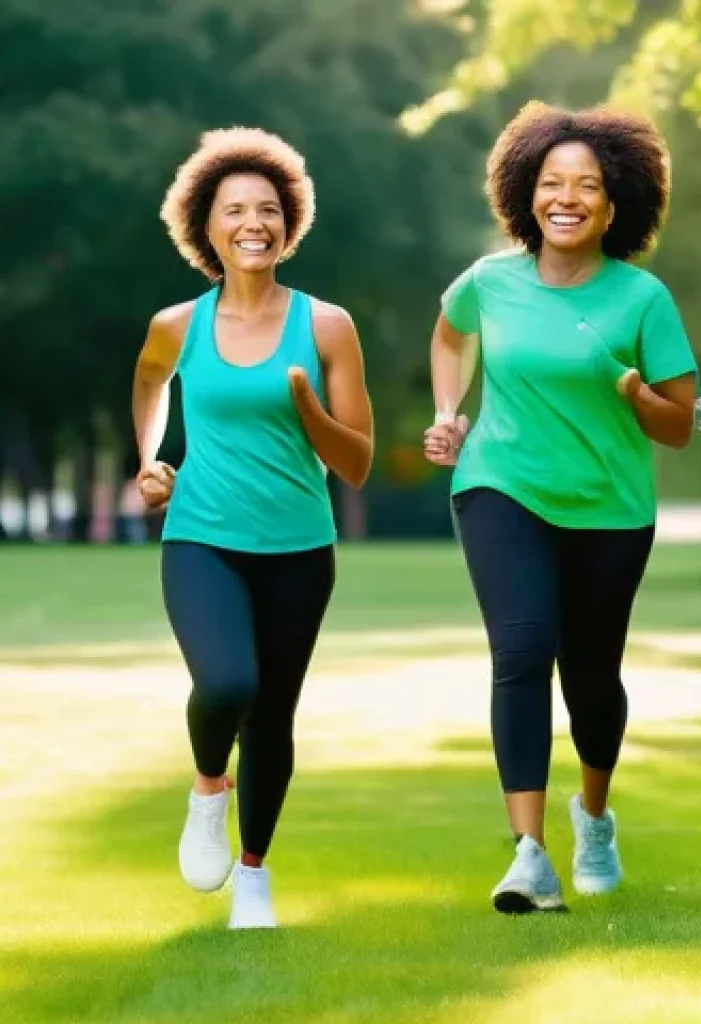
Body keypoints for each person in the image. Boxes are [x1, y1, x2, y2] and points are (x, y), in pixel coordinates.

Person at [423, 101, 697, 914]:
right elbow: (449, 335)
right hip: (501, 483)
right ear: (526, 193)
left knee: (592, 677)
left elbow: (679, 426)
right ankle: (529, 854)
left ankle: (595, 818)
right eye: (552, 182)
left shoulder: (643, 299)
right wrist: (449, 412)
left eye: (587, 185)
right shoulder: (490, 281)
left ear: (616, 206)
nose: (566, 198)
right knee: (520, 651)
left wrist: (635, 392)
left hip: (610, 507)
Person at [132, 127, 374, 929]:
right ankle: (209, 787)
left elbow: (357, 462)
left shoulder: (328, 326)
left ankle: (254, 874)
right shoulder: (176, 325)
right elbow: (149, 383)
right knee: (229, 685)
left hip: (300, 550)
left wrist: (309, 410)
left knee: (271, 718)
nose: (253, 223)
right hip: (201, 538)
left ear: (288, 222)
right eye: (234, 210)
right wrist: (150, 460)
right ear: (205, 227)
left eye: (268, 209)